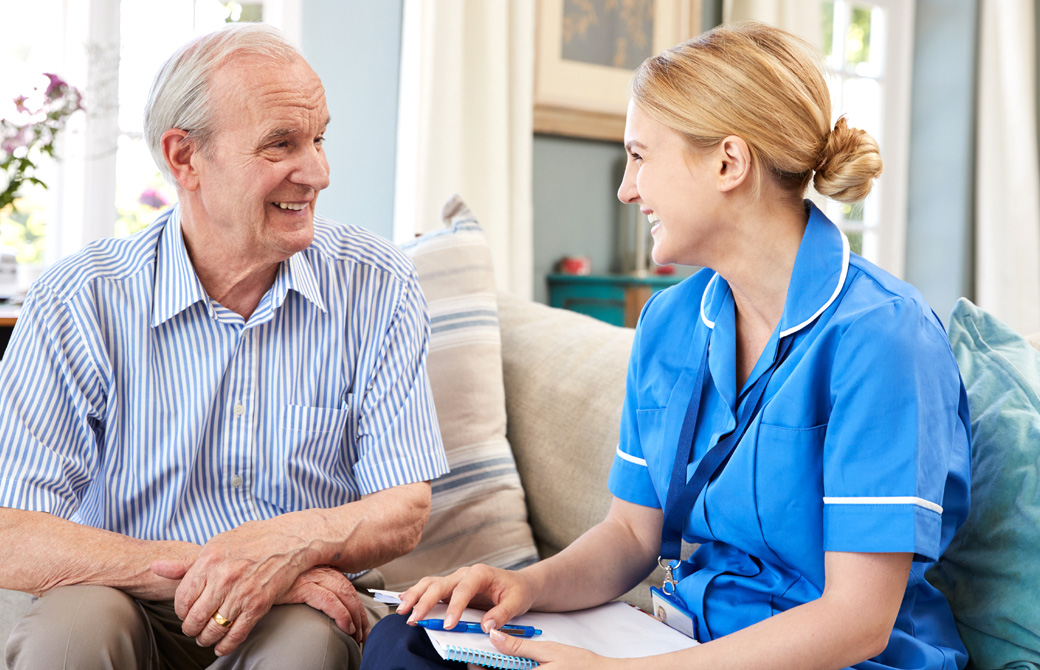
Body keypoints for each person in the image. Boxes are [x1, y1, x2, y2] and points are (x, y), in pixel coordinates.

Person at [361, 21, 971, 670]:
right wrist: (523, 586)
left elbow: (856, 621)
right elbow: (631, 534)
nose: (627, 188)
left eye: (640, 156)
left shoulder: (883, 336)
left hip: (834, 659)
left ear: (728, 163)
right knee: (406, 640)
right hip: (687, 644)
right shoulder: (671, 321)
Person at [0, 22, 449, 670]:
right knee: (69, 635)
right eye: (281, 144)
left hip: (297, 607)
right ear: (185, 157)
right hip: (128, 593)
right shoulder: (80, 299)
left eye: (319, 139)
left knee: (305, 645)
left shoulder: (377, 283)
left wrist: (287, 549)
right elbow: (11, 529)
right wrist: (229, 568)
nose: (318, 172)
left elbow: (403, 507)